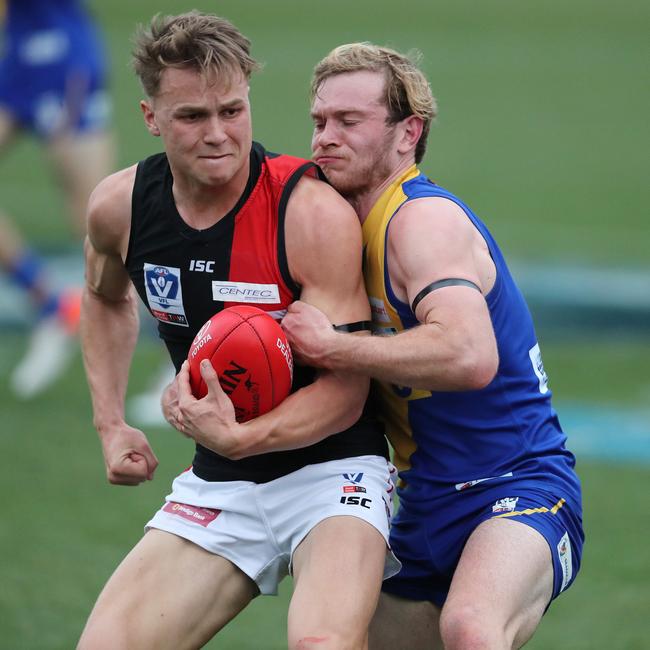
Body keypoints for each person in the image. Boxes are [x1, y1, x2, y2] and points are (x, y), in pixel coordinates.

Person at [78, 13, 398, 650]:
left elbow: (348, 391)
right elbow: (103, 298)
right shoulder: (121, 208)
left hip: (334, 475)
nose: (218, 134)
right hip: (219, 480)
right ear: (150, 117)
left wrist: (243, 436)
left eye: (232, 110)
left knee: (324, 644)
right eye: (193, 116)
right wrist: (112, 422)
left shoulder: (306, 212)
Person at [281, 43, 585, 649]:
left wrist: (334, 348)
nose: (325, 138)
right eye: (319, 122)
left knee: (471, 629)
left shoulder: (422, 221)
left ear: (408, 132)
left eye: (349, 121)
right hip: (418, 501)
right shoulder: (331, 226)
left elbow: (469, 356)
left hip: (516, 484)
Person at [0, 0, 115, 398]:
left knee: (97, 223)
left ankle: (185, 343)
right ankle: (52, 307)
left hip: (63, 58)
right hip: (17, 58)